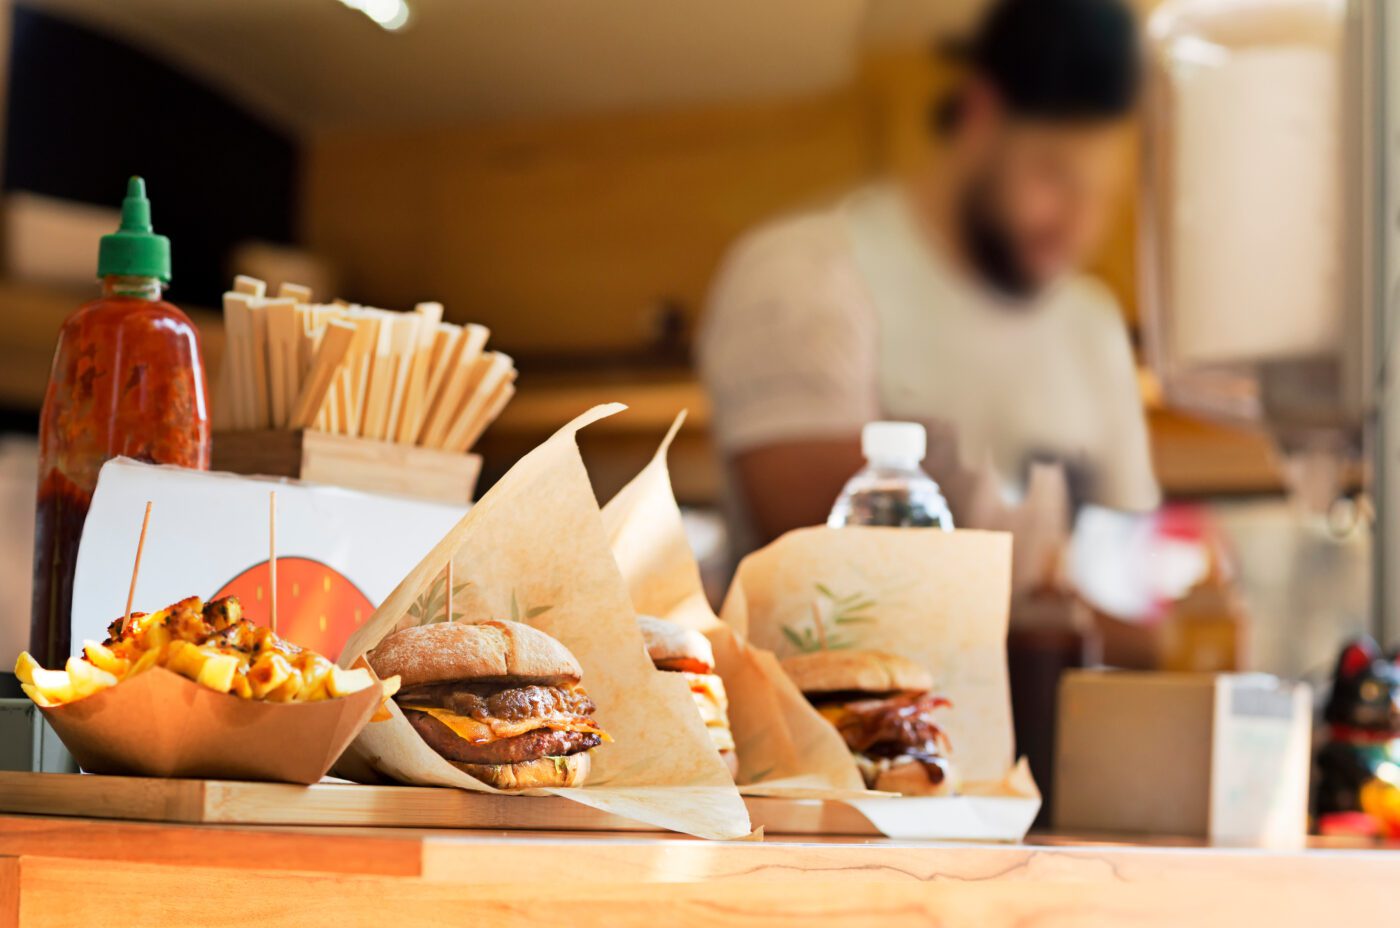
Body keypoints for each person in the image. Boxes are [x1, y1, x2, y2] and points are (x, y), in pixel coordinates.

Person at [698, 0, 1159, 580]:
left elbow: (1126, 573)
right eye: (1054, 175)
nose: (1076, 225)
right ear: (979, 113)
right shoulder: (806, 275)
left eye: (1102, 196)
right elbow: (836, 575)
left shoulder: (1091, 324)